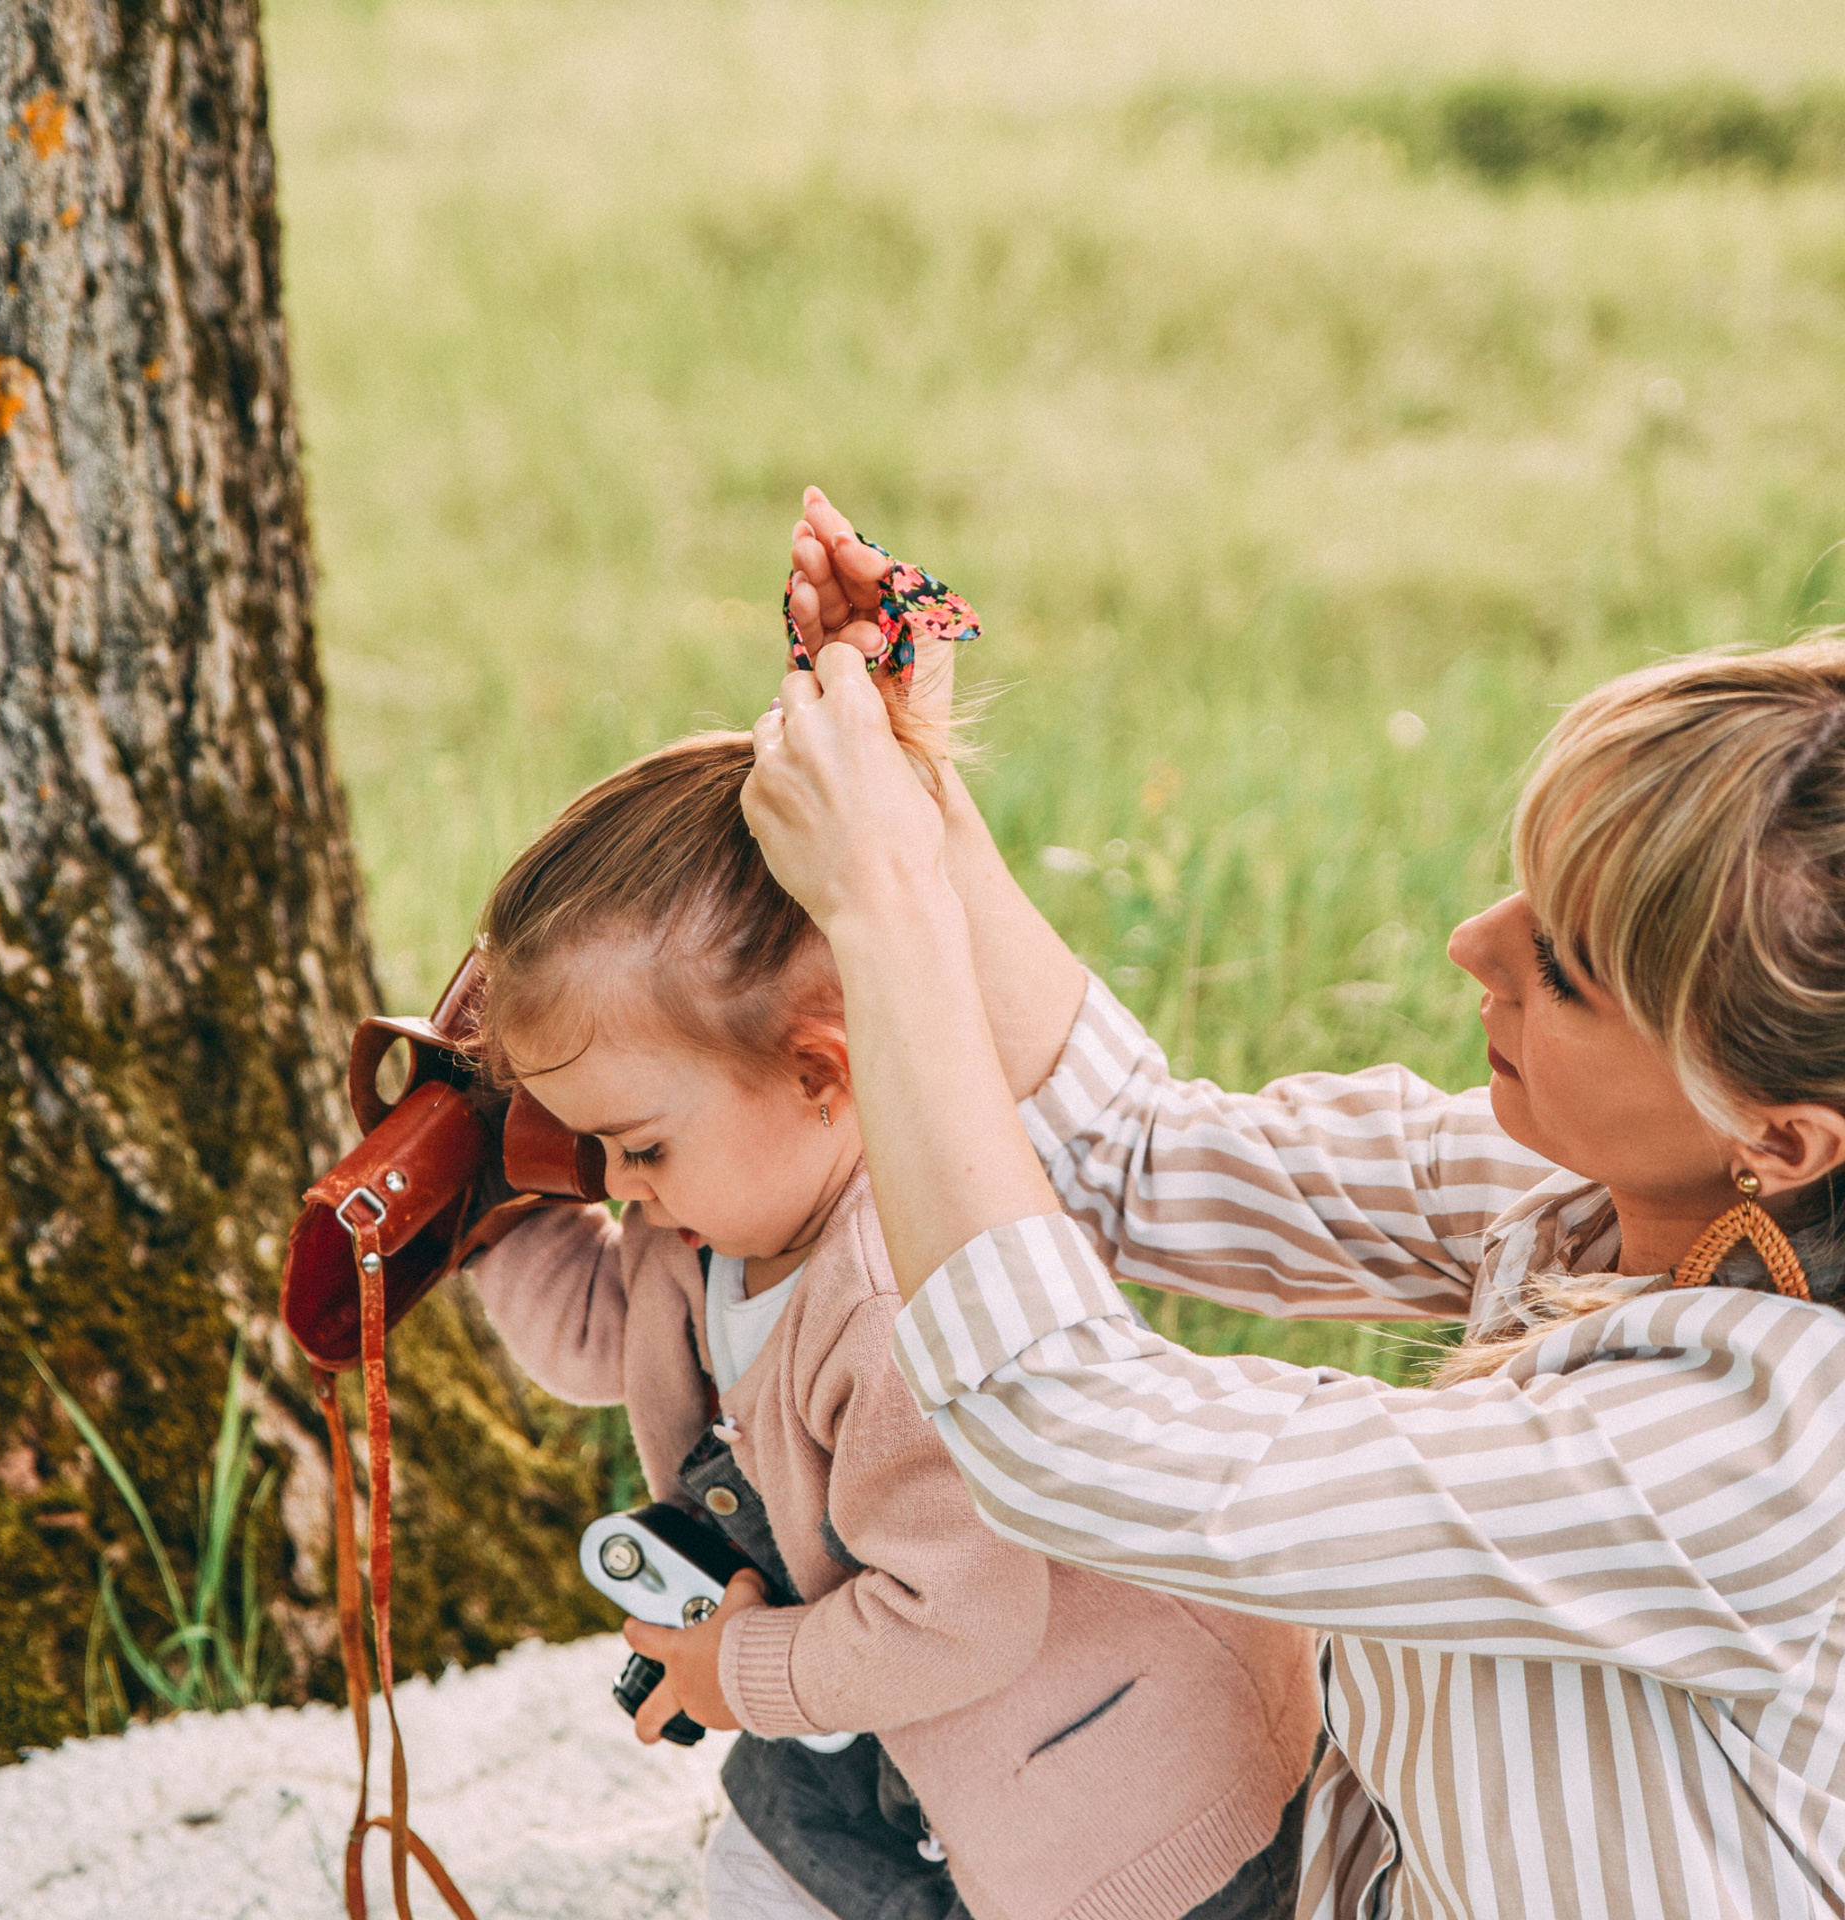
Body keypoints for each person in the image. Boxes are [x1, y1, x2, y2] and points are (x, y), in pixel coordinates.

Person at [744, 489, 1845, 1917]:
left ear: (1778, 1136)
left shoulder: (1765, 1460)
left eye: (1562, 968)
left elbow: (1069, 1431)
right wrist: (921, 791)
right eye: (1522, 889)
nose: (1473, 944)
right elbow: (1135, 1152)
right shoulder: (1604, 1196)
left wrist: (882, 912)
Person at [463, 724, 1323, 1920]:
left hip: (1097, 1782)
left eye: (637, 1146)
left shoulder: (904, 1299)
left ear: (822, 1073)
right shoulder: (706, 1217)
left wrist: (739, 1673)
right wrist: (485, 1215)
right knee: (761, 1872)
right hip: (864, 1721)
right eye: (589, 1145)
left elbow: (962, 1616)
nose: (612, 1185)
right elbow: (609, 1334)